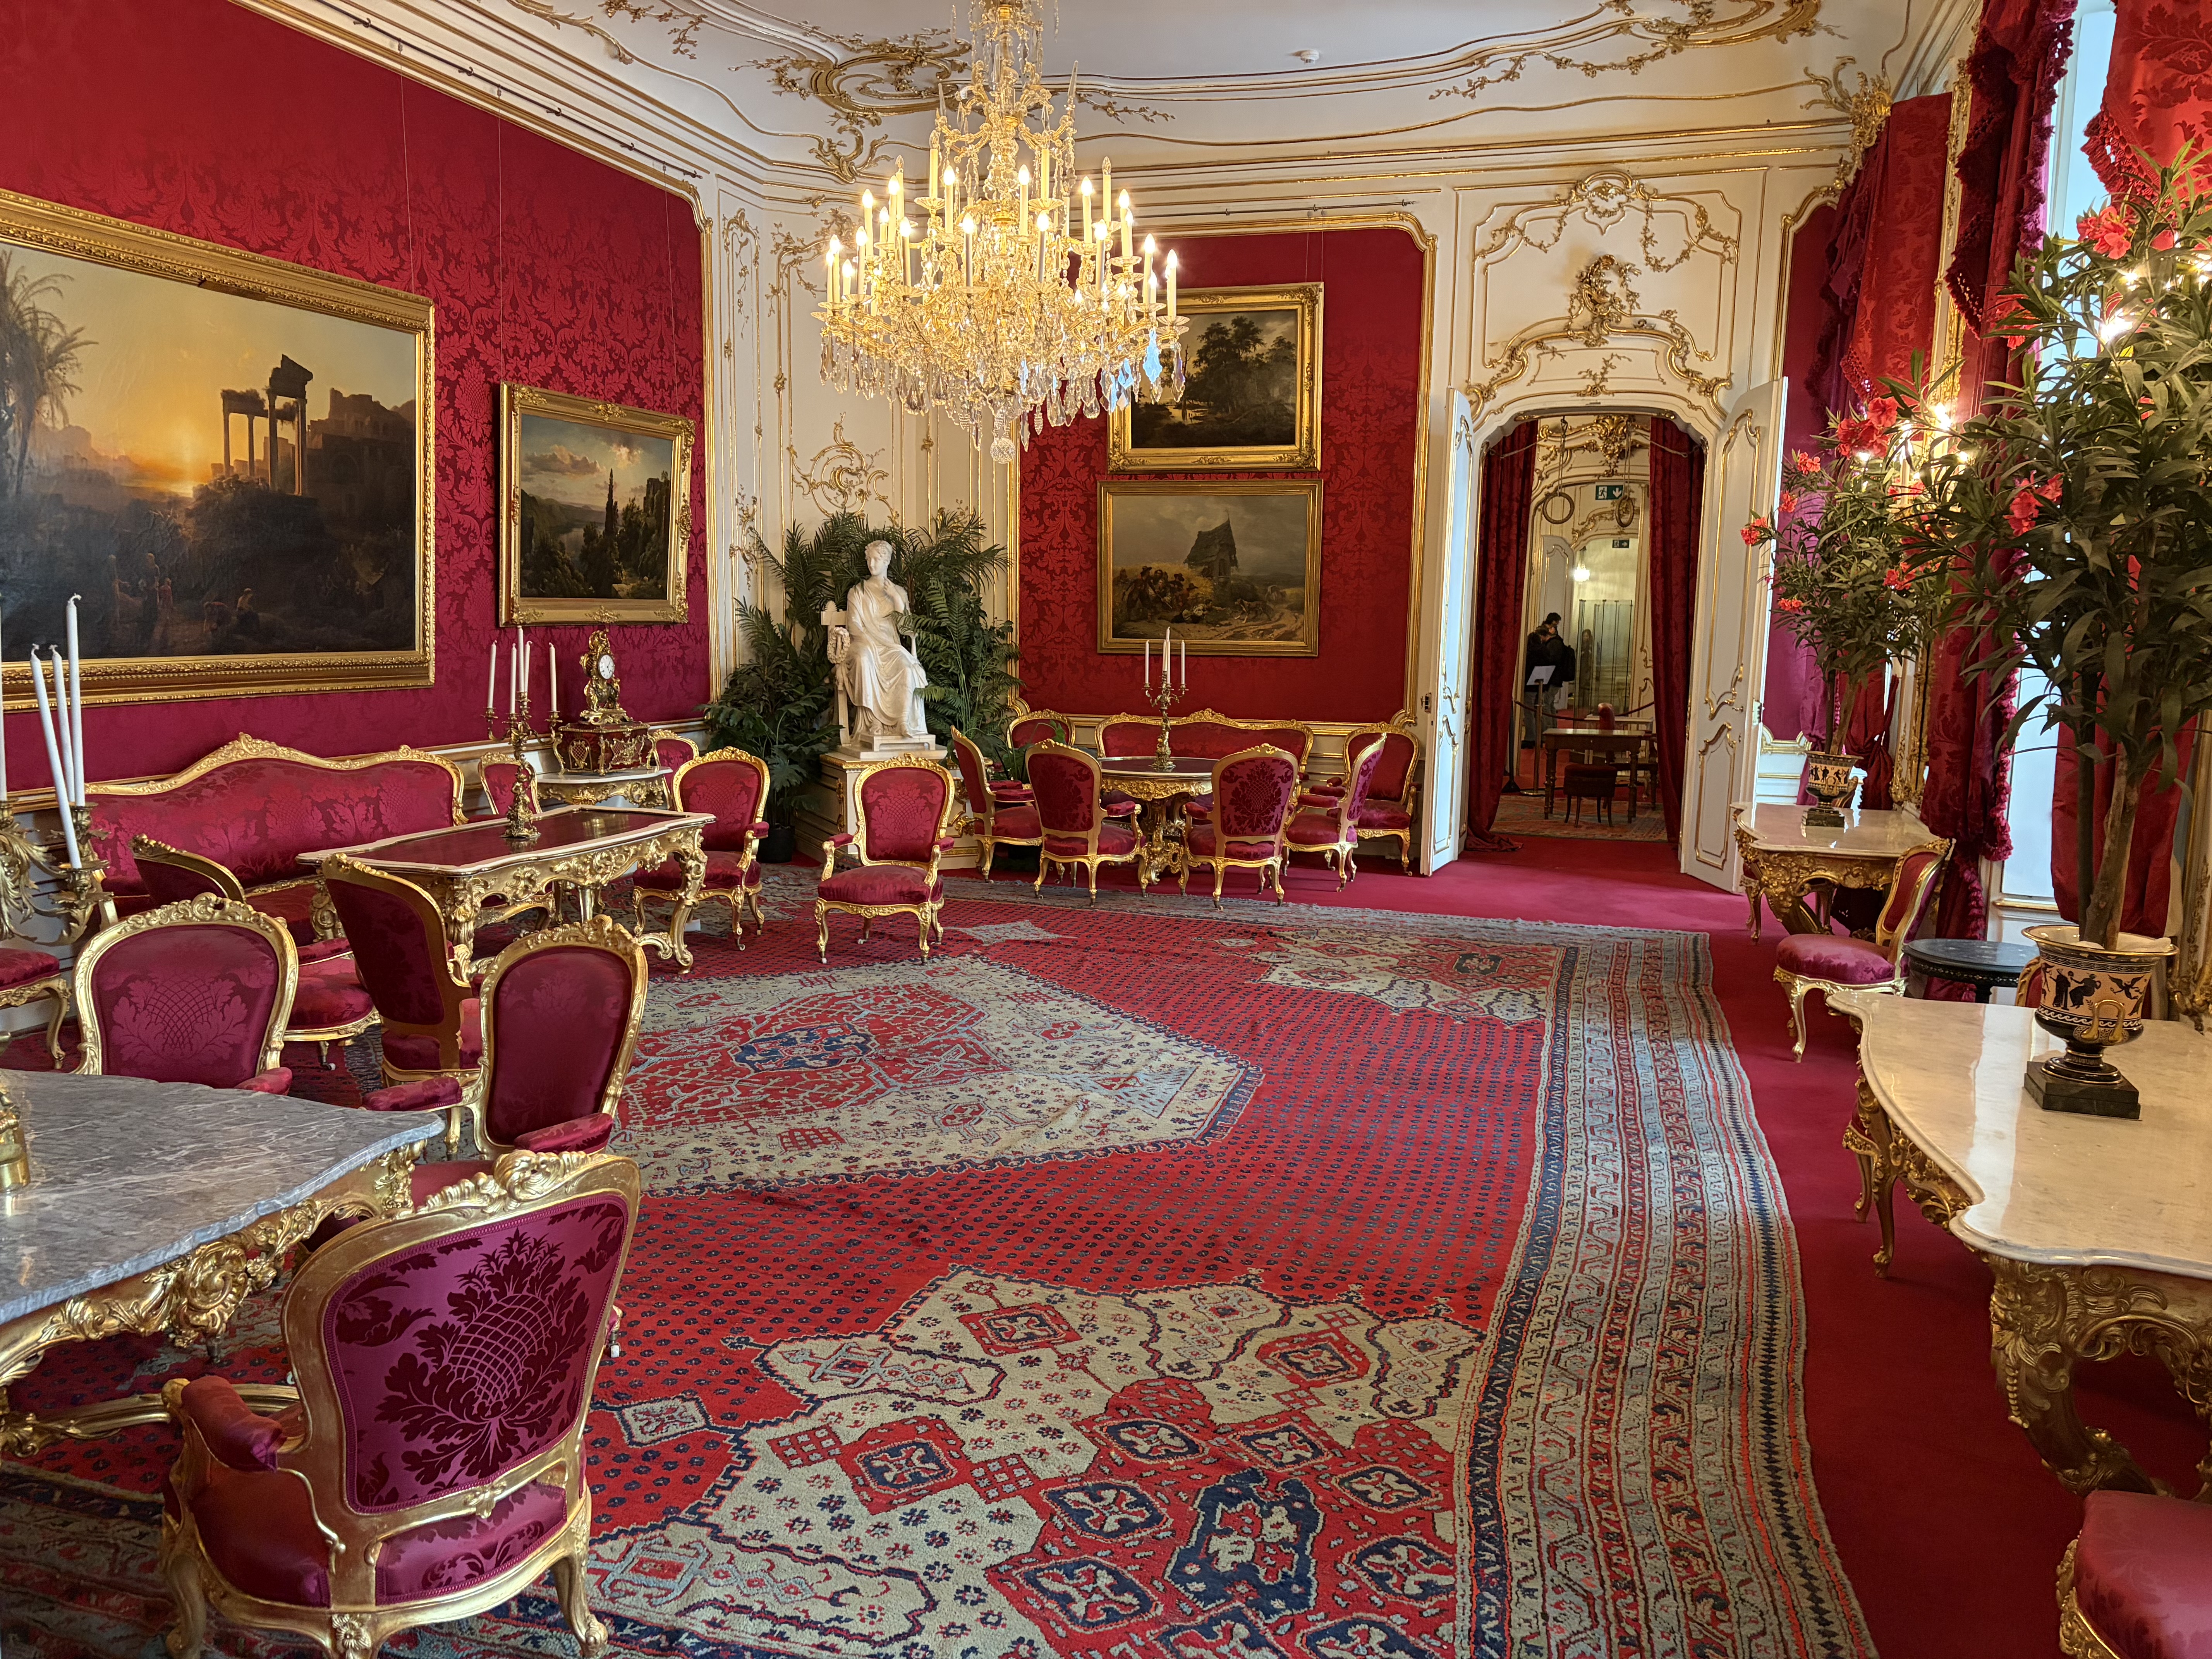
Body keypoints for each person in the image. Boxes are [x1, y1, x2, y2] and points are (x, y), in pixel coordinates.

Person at [827, 539, 931, 743]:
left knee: (906, 666)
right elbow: (854, 626)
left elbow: (907, 629)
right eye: (869, 560)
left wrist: (896, 599)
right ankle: (872, 722)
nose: (872, 564)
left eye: (877, 560)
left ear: (886, 562)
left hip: (890, 647)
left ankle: (902, 721)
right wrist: (872, 645)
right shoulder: (857, 592)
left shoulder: (898, 592)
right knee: (865, 659)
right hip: (863, 644)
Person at [1522, 614, 1574, 750]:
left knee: (1542, 707)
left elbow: (1552, 663)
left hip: (1546, 681)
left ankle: (1544, 734)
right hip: (1546, 682)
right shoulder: (1551, 646)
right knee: (1546, 707)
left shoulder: (1552, 645)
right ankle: (1549, 732)